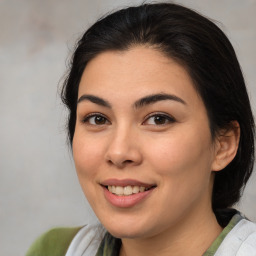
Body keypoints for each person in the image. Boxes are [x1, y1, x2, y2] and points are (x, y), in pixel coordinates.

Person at [26, 2, 256, 256]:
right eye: (97, 119)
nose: (119, 152)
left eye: (158, 119)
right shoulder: (55, 250)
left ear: (223, 144)